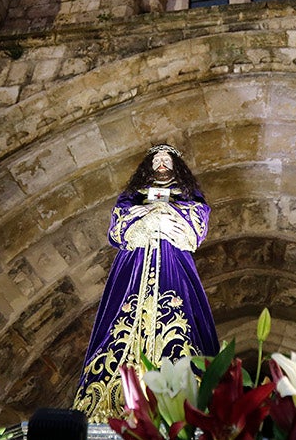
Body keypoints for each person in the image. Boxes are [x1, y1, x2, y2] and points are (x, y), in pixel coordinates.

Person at [73, 144, 219, 420]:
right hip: (134, 266)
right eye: (157, 159)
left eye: (167, 159)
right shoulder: (134, 195)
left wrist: (168, 217)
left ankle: (182, 401)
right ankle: (113, 400)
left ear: (176, 165)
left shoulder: (187, 194)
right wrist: (150, 217)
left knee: (179, 319)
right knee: (121, 321)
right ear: (149, 165)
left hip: (173, 263)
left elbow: (197, 221)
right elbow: (118, 225)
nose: (162, 163)